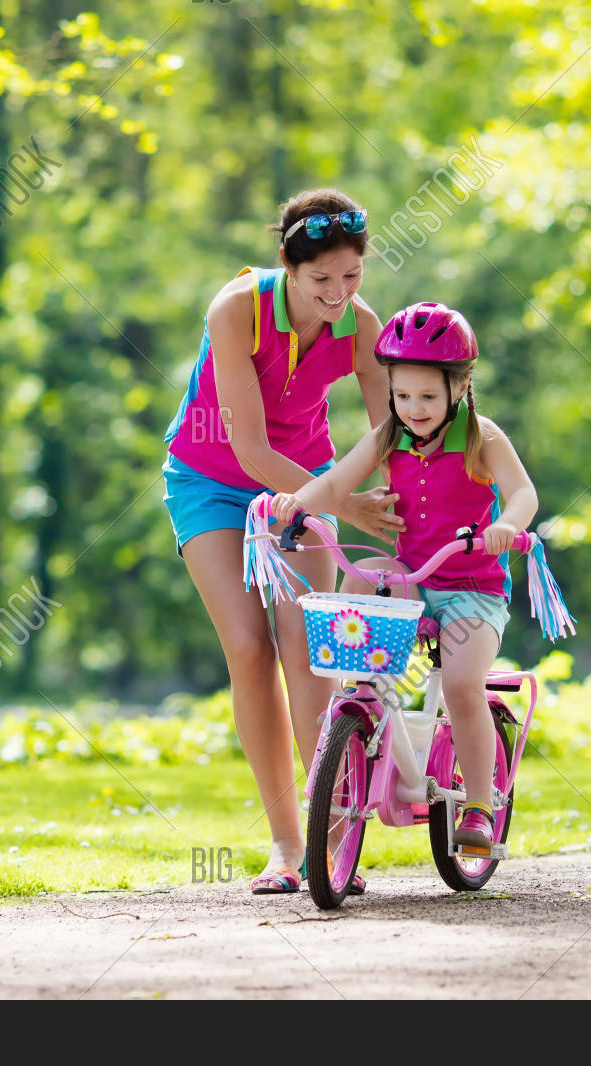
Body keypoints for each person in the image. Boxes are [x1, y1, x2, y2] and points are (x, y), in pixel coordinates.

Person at [162, 188, 404, 894]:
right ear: (287, 268)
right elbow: (247, 444)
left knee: (308, 649)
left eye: (351, 277)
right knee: (248, 647)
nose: (337, 293)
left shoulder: (361, 327)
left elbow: (389, 431)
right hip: (213, 481)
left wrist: (403, 494)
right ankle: (282, 845)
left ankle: (332, 845)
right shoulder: (235, 310)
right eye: (320, 279)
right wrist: (347, 507)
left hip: (309, 482)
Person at [270, 301, 540, 851]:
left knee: (463, 686)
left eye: (428, 396)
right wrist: (296, 506)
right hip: (415, 576)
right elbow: (335, 484)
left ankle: (481, 808)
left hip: (472, 589)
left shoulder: (481, 438)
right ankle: (362, 691)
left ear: (459, 389)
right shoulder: (387, 436)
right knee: (366, 571)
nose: (412, 408)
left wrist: (506, 527)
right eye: (402, 394)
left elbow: (524, 493)